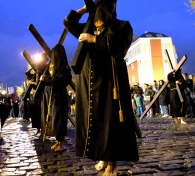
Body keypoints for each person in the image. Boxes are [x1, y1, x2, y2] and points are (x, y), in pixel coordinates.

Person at [64, 0, 139, 175]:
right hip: (90, 82)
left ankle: (112, 163)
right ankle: (103, 157)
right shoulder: (88, 25)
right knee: (96, 121)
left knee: (109, 121)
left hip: (110, 82)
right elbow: (68, 23)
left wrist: (95, 39)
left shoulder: (122, 26)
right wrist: (83, 10)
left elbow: (119, 49)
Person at [40, 44, 72, 152]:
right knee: (54, 120)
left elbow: (59, 81)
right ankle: (58, 141)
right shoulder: (53, 68)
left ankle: (61, 143)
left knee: (59, 120)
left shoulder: (65, 68)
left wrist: (46, 80)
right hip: (52, 97)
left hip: (59, 97)